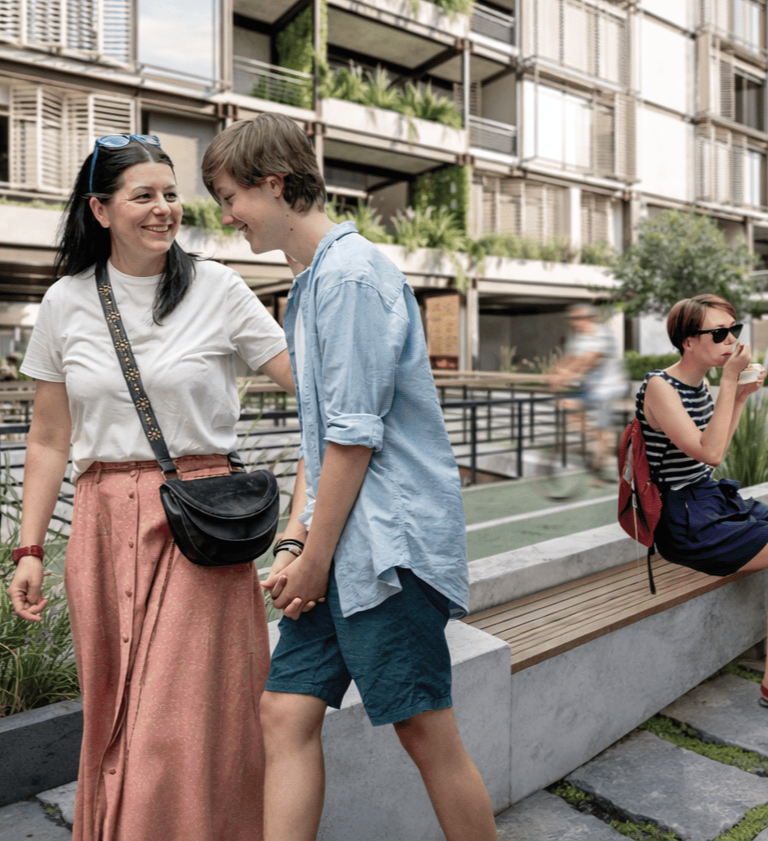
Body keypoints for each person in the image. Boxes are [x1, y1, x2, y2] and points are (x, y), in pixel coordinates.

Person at [201, 113, 498, 841]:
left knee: (427, 733)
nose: (228, 217)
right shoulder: (311, 285)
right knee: (284, 712)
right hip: (342, 552)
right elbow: (320, 438)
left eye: (230, 197)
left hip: (386, 553)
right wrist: (297, 545)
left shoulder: (351, 277)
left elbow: (353, 440)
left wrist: (315, 558)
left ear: (274, 184)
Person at [7, 134, 298, 841]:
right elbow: (48, 439)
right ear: (100, 209)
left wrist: (302, 527)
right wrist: (29, 548)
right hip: (103, 526)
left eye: (171, 194)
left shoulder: (220, 288)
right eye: (144, 195)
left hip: (201, 525)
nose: (164, 209)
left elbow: (317, 394)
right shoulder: (66, 303)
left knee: (187, 721)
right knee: (117, 714)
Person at [636, 293, 768, 705]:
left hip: (710, 500)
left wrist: (740, 396)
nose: (730, 340)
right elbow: (708, 453)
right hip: (684, 522)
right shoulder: (659, 386)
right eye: (719, 332)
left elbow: (716, 451)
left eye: (734, 330)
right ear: (688, 341)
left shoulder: (703, 383)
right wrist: (731, 381)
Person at [547, 303, 626, 480]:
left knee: (602, 424)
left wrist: (567, 375)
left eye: (578, 318)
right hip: (589, 387)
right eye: (572, 319)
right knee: (567, 405)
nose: (574, 323)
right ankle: (596, 442)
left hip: (607, 387)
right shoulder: (577, 337)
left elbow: (590, 359)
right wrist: (553, 373)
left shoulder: (602, 334)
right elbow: (570, 358)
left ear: (590, 318)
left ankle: (604, 460)